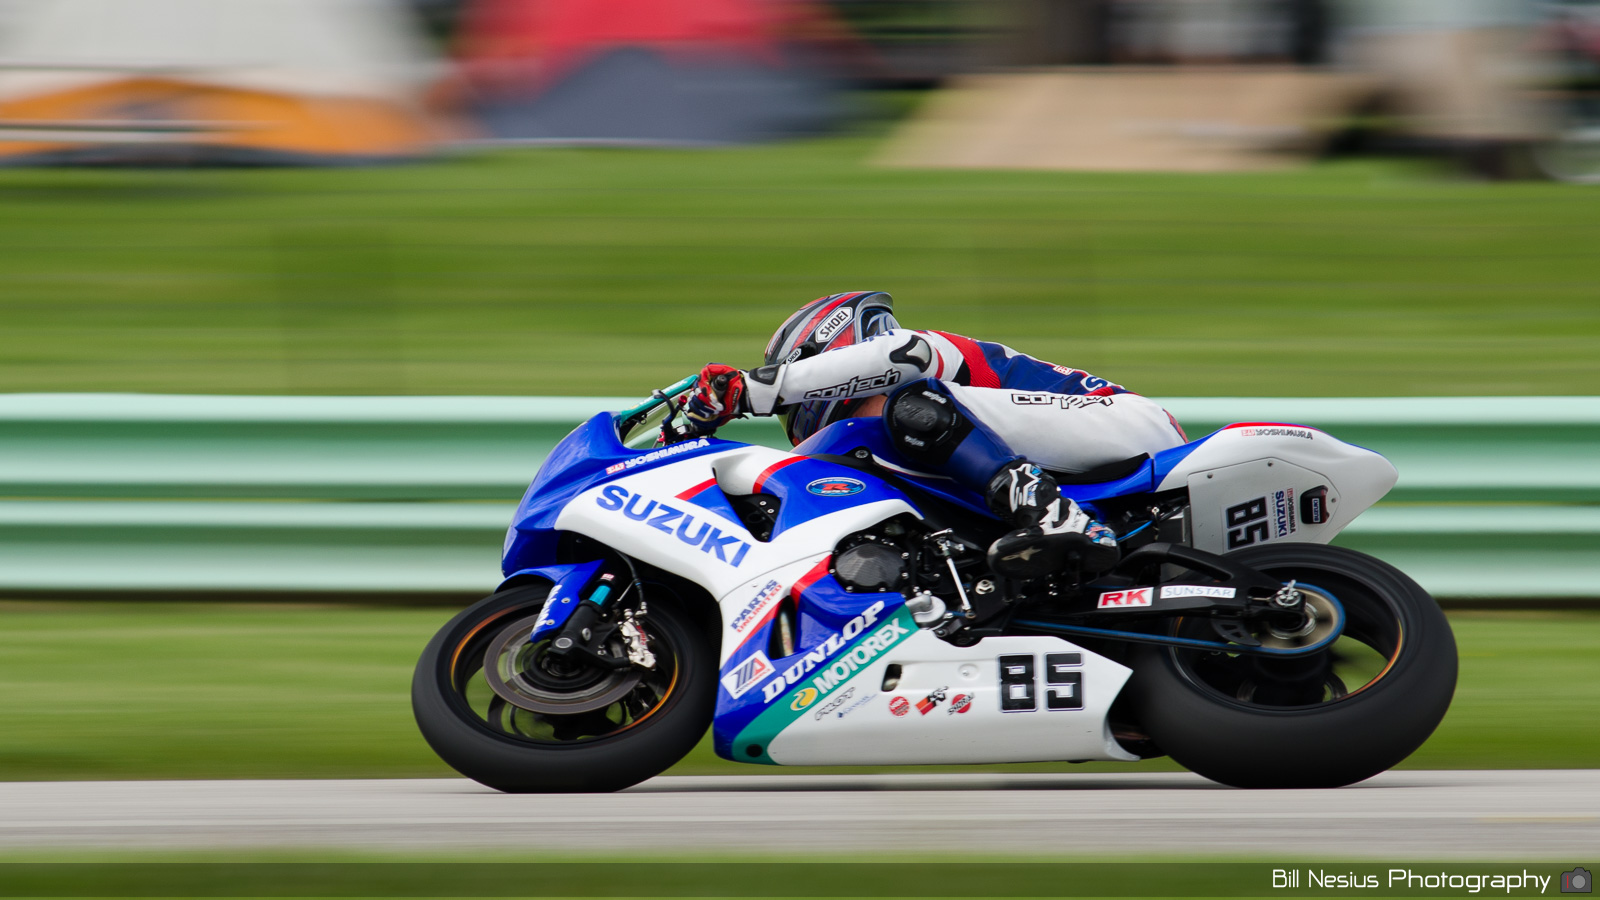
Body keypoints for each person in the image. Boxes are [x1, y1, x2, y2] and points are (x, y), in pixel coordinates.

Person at [682, 291, 1187, 580]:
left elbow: (897, 358)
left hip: (1131, 426)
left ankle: (1055, 517)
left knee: (911, 406)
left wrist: (755, 389)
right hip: (1087, 464)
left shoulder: (923, 352)